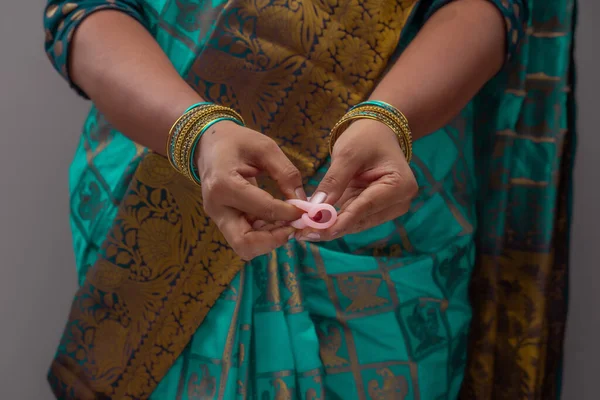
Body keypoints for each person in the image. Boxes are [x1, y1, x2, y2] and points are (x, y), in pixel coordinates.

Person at [43, 0, 575, 398]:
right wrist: (196, 134)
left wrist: (388, 117)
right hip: (161, 197)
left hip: (384, 221)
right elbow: (83, 10)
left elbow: (489, 5)